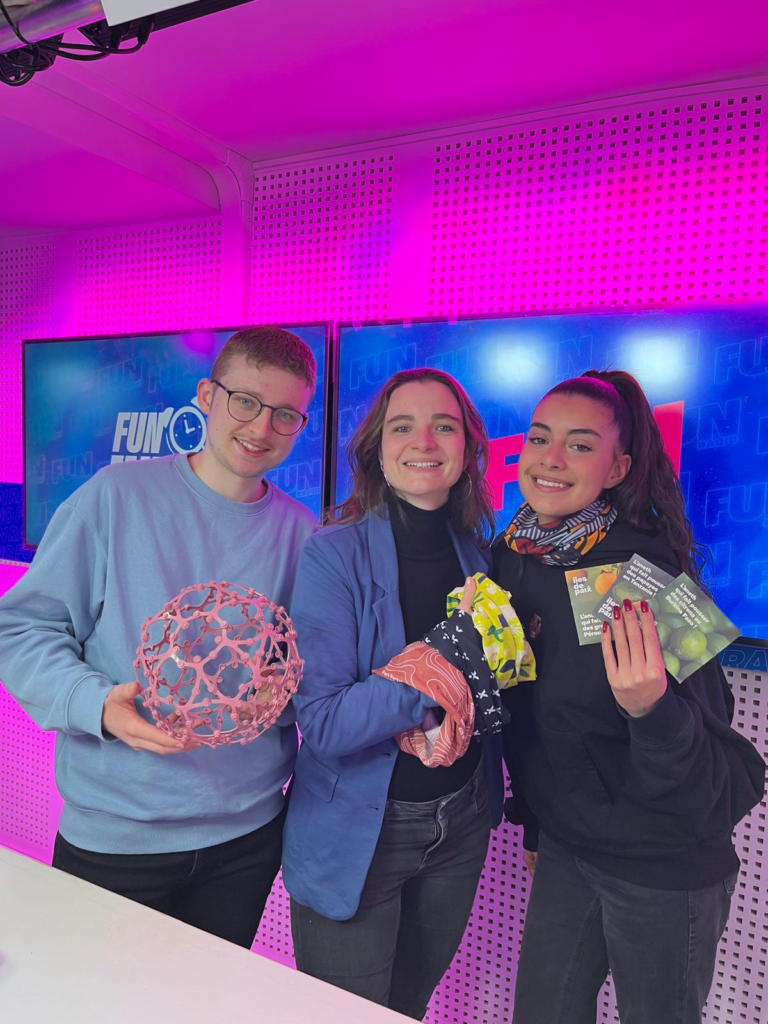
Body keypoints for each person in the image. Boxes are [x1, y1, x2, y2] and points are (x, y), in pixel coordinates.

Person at [0, 326, 318, 948]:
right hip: (117, 833)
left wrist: (283, 692)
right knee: (93, 994)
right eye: (246, 402)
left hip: (247, 837)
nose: (261, 428)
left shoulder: (302, 533)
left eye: (285, 414)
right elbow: (23, 627)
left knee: (209, 998)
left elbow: (298, 671)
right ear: (207, 396)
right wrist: (96, 705)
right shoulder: (114, 497)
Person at [495, 370, 766, 1024]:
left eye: (580, 445)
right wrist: (535, 821)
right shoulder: (512, 555)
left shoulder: (645, 574)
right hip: (569, 845)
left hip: (662, 863)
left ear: (615, 469)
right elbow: (531, 718)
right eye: (540, 438)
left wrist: (652, 710)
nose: (551, 458)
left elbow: (717, 759)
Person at [282, 367, 505, 1020]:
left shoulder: (482, 556)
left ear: (467, 447)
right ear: (377, 449)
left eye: (444, 426)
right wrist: (438, 667)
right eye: (403, 426)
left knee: (408, 1008)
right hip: (359, 834)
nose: (424, 442)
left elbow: (495, 692)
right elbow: (325, 722)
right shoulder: (333, 555)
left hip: (462, 820)